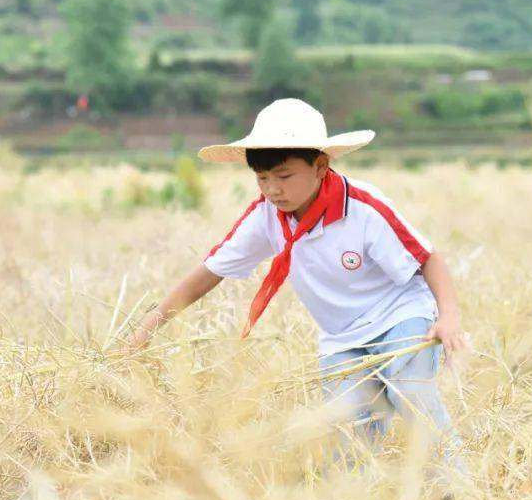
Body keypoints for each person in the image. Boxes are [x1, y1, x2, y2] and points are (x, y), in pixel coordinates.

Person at [129, 98, 467, 480]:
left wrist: (449, 319)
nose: (273, 189)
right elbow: (210, 271)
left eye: (284, 176)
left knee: (410, 393)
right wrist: (149, 325)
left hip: (400, 316)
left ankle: (462, 497)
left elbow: (428, 259)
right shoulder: (265, 217)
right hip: (342, 338)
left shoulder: (363, 208)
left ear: (320, 166)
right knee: (346, 429)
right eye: (262, 178)